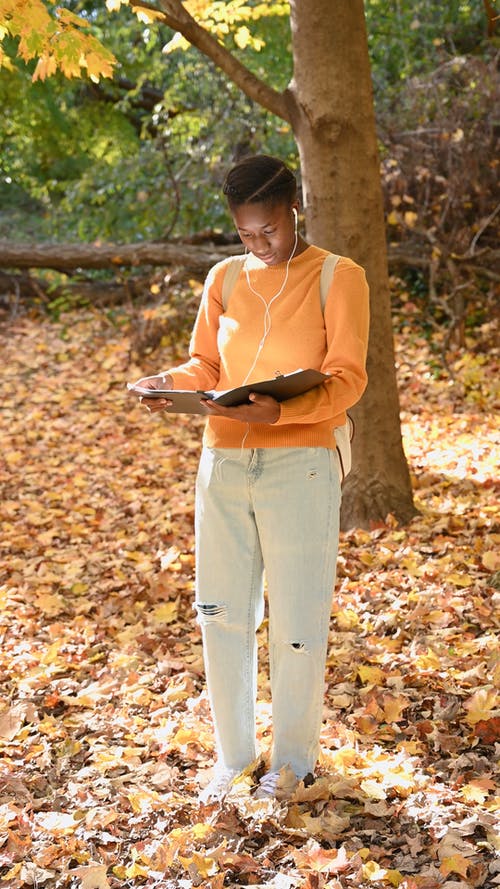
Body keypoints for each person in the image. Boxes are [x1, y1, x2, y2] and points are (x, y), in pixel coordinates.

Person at [132, 155, 369, 803]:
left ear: (294, 209)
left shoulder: (337, 277)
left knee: (296, 616)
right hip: (225, 462)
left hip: (303, 463)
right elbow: (206, 364)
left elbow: (349, 377)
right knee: (220, 613)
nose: (258, 243)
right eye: (245, 233)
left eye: (268, 229)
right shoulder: (224, 277)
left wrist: (283, 409)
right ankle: (233, 759)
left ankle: (291, 762)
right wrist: (165, 385)